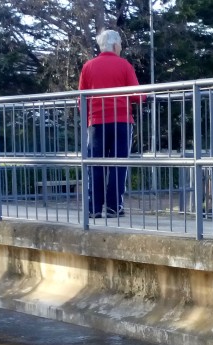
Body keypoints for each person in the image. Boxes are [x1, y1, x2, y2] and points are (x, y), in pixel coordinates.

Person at [78, 29, 145, 218]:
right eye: (121, 45)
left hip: (96, 122)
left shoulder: (88, 67)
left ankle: (94, 209)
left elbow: (81, 99)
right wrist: (147, 96)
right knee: (118, 164)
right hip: (121, 121)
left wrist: (87, 120)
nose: (121, 47)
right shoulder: (124, 65)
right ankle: (114, 207)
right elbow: (137, 95)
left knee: (95, 165)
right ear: (115, 45)